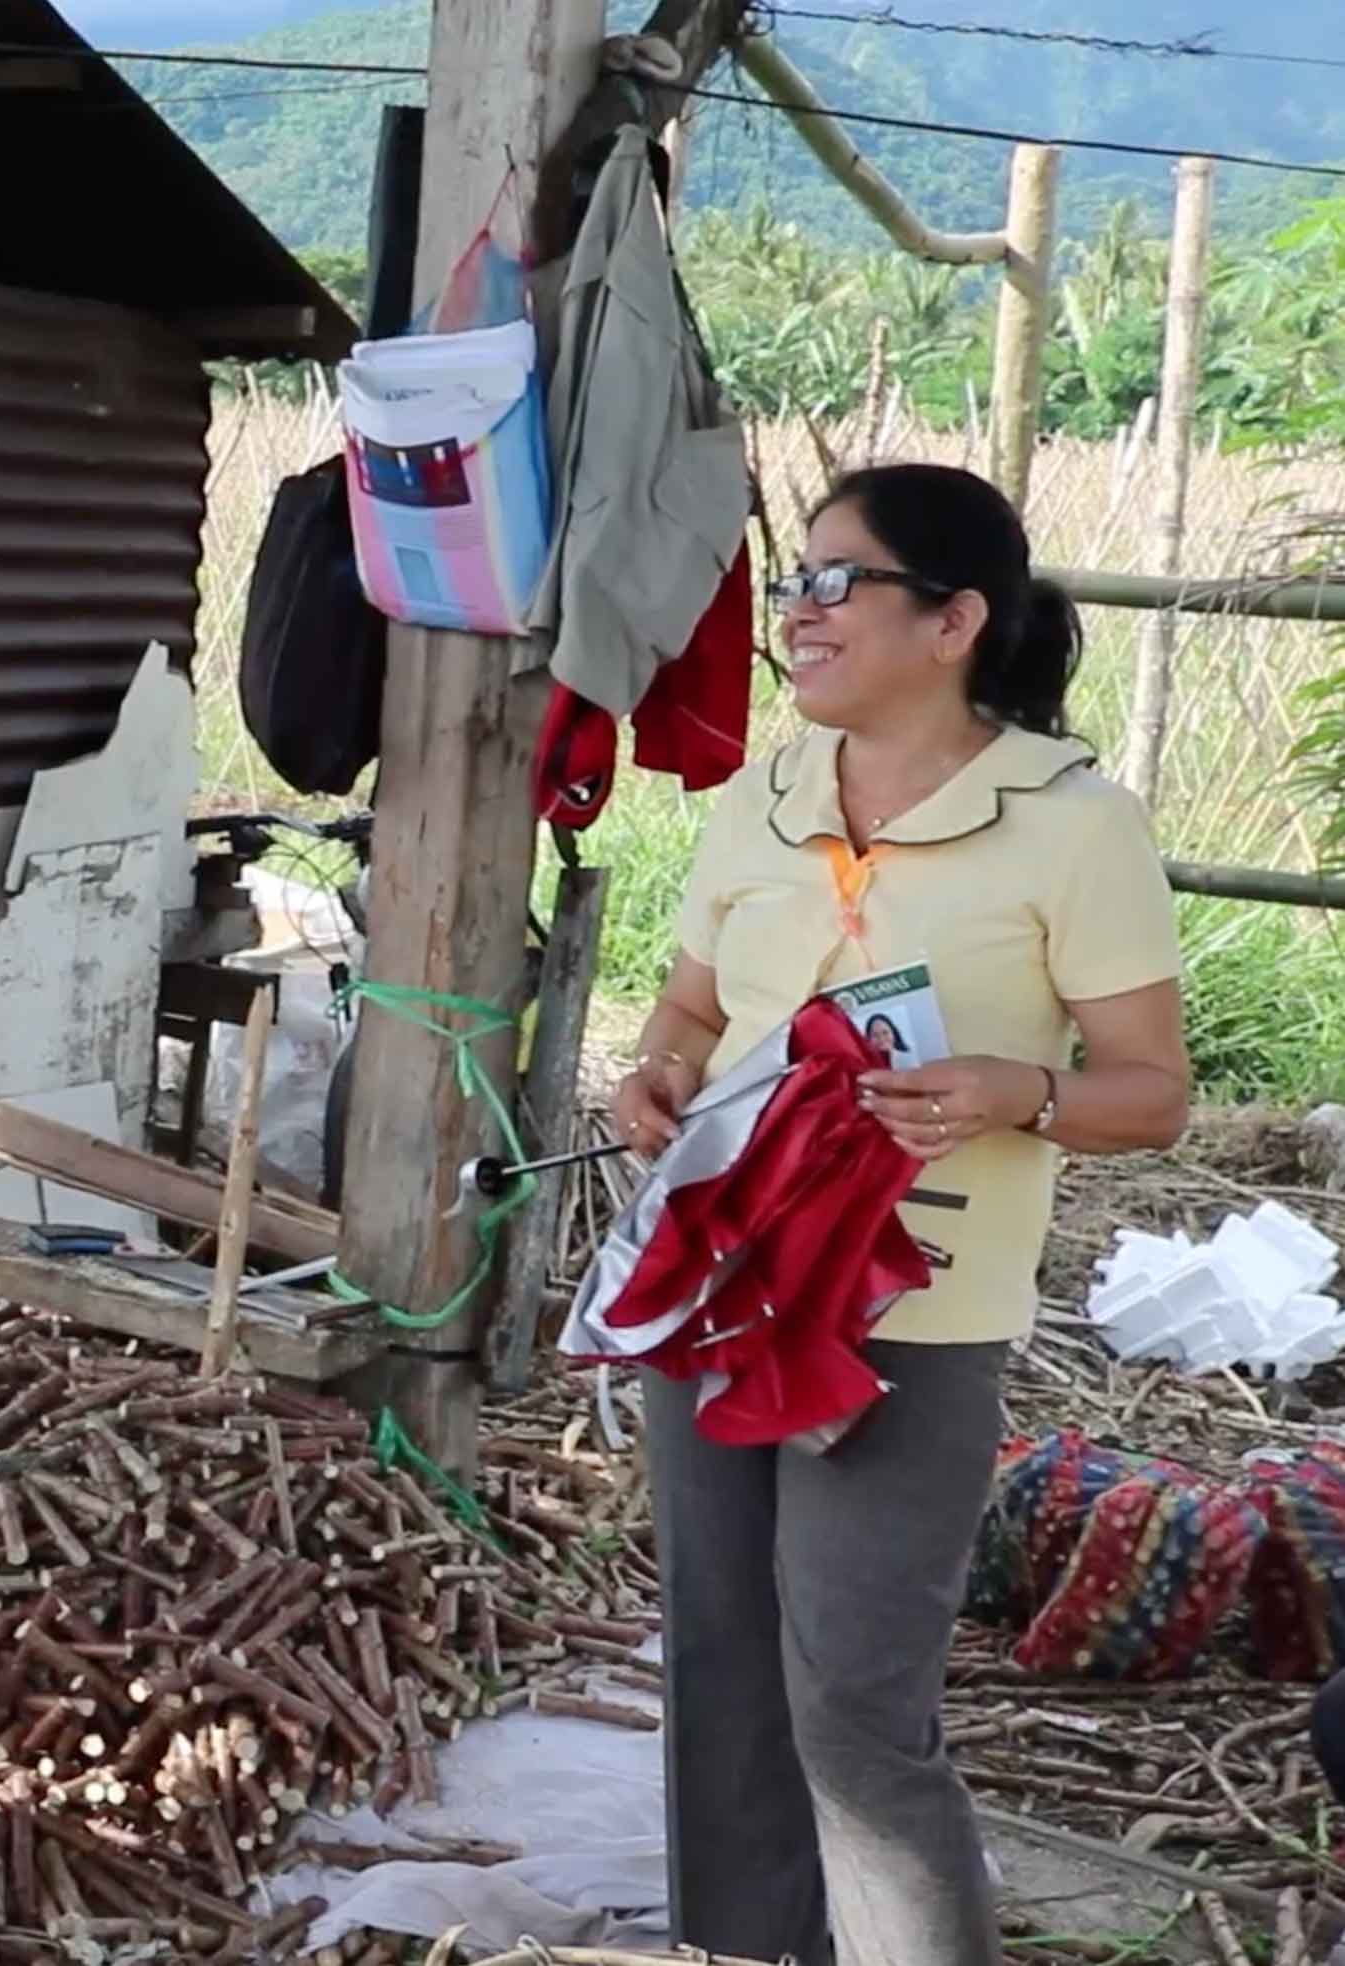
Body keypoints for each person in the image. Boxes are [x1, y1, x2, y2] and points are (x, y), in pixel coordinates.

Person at [610, 463, 1191, 1966]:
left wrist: (1018, 1089)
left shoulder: (1072, 823)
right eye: (792, 582)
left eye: (830, 584)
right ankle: (739, 1948)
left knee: (854, 1706)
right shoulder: (764, 797)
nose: (793, 617)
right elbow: (685, 1009)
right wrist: (656, 1077)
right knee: (720, 1668)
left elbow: (1150, 1092)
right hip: (719, 1290)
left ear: (951, 622)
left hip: (909, 1318)